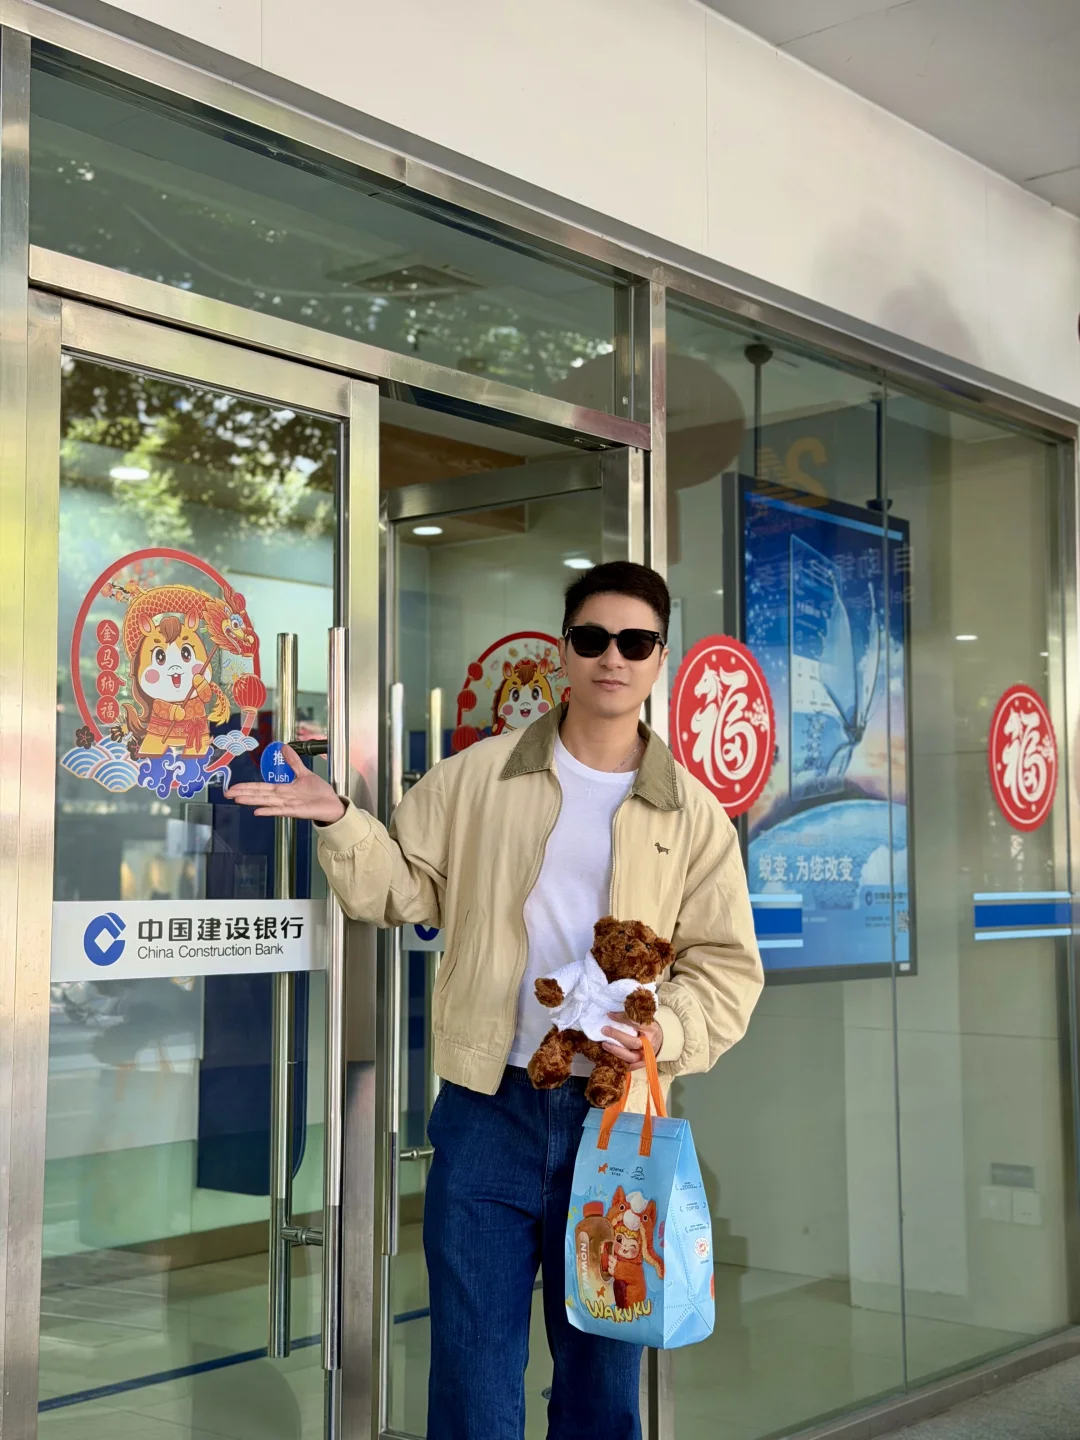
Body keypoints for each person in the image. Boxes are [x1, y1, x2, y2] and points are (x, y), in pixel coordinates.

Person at [226, 561, 763, 1440]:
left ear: (660, 658)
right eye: (593, 638)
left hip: (615, 1122)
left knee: (601, 1389)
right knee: (473, 1381)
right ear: (564, 650)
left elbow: (726, 968)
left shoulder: (692, 815)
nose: (613, 658)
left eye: (636, 642)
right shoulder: (477, 777)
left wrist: (661, 1031)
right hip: (488, 1111)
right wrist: (338, 817)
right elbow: (403, 890)